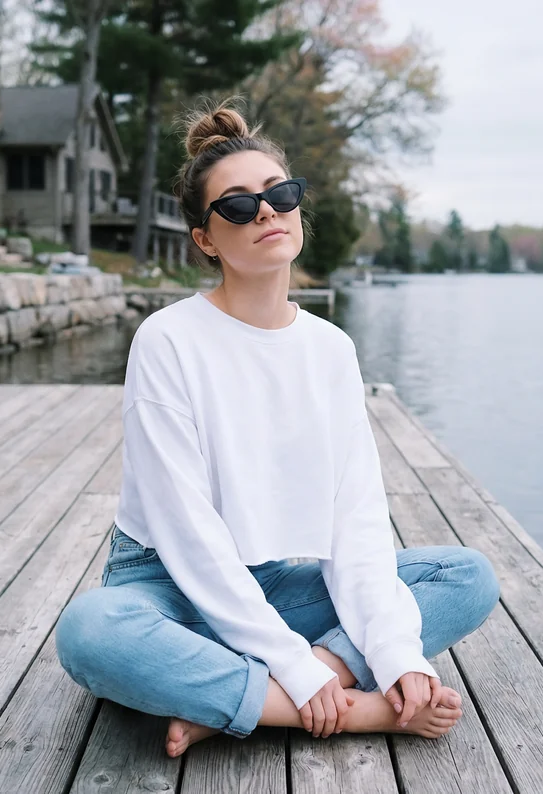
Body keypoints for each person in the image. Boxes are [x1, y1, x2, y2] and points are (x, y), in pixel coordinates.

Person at [55, 97, 500, 759]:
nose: (265, 211)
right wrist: (289, 661)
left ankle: (240, 701)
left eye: (279, 193)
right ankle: (345, 709)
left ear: (296, 207)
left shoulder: (331, 350)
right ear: (205, 239)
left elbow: (355, 522)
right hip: (163, 585)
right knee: (89, 630)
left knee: (466, 576)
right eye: (237, 205)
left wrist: (395, 653)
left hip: (265, 586)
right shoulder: (168, 339)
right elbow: (185, 529)